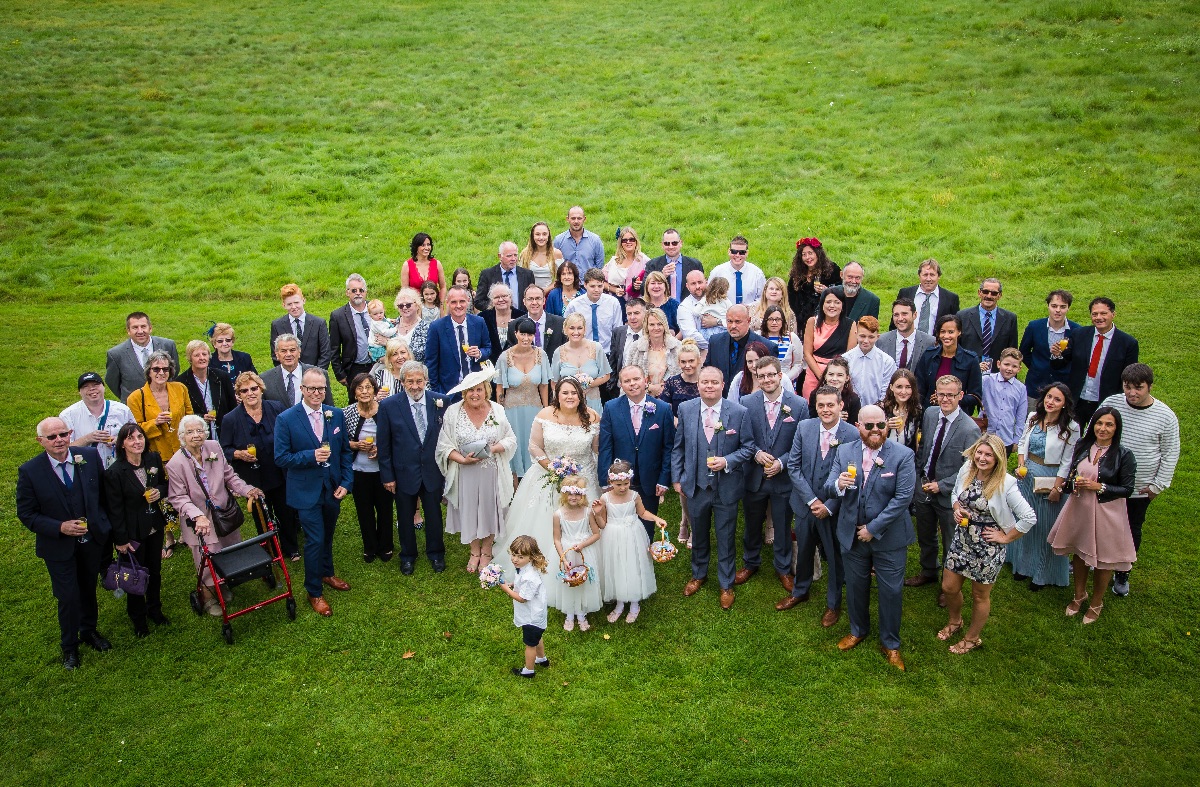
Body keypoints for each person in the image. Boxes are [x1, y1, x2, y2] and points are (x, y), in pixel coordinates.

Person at [824, 405, 917, 671]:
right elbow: (829, 486)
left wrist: (872, 529)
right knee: (855, 586)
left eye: (881, 425)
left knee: (891, 591)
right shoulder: (844, 451)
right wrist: (838, 485)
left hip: (888, 538)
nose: (876, 430)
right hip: (851, 534)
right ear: (858, 426)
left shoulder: (903, 455)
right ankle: (858, 629)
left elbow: (902, 499)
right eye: (869, 426)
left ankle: (890, 643)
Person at [17, 418, 113, 669]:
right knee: (68, 596)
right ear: (41, 441)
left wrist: (100, 524)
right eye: (52, 437)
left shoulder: (89, 457)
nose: (59, 440)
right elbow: (26, 513)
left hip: (91, 541)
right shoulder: (30, 471)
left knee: (88, 587)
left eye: (63, 434)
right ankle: (69, 647)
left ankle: (88, 630)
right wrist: (59, 527)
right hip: (58, 547)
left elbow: (103, 495)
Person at [937, 434, 1036, 654]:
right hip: (962, 540)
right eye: (979, 453)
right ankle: (955, 621)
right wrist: (956, 508)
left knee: (980, 595)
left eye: (988, 454)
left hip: (987, 547)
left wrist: (1005, 537)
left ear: (998, 458)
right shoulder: (967, 469)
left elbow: (1029, 517)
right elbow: (955, 492)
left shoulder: (1006, 483)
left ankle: (972, 638)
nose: (982, 458)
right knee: (948, 587)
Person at [494, 377, 600, 577]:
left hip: (583, 476)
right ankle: (542, 562)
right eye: (565, 393)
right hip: (549, 475)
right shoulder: (545, 414)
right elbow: (534, 446)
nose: (570, 397)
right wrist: (552, 467)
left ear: (581, 395)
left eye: (574, 393)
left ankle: (585, 561)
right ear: (557, 395)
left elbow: (596, 449)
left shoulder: (592, 416)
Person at [673, 367, 756, 611]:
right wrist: (678, 478)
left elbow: (748, 447)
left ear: (723, 385)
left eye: (714, 382)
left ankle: (726, 583)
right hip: (697, 486)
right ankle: (699, 574)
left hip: (726, 488)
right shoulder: (686, 409)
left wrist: (727, 461)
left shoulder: (739, 412)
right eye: (705, 382)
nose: (709, 386)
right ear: (697, 384)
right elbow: (678, 447)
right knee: (698, 533)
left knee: (726, 536)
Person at [273, 368, 354, 617]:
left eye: (321, 388)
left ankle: (327, 573)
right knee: (315, 539)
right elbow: (281, 457)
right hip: (305, 491)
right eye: (311, 388)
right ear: (302, 389)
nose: (317, 393)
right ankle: (314, 590)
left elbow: (345, 453)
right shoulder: (287, 419)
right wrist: (311, 456)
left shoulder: (335, 414)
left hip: (332, 489)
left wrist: (346, 482)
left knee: (328, 535)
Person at [166, 414, 264, 616]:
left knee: (229, 549)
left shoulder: (214, 447)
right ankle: (209, 597)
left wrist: (247, 490)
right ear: (182, 436)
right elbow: (178, 497)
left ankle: (226, 583)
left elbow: (229, 475)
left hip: (225, 513)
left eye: (200, 430)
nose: (196, 435)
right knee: (207, 558)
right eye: (190, 432)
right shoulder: (175, 464)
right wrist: (197, 515)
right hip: (200, 521)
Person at [1048, 407, 1137, 624]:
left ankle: (1097, 602)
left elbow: (1127, 489)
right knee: (1079, 552)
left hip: (1107, 512)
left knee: (1103, 559)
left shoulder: (1124, 455)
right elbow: (1072, 473)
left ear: (1116, 428)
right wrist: (1072, 485)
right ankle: (1079, 595)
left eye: (1109, 424)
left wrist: (1100, 486)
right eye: (1099, 423)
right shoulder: (1083, 446)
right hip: (1081, 506)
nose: (1103, 428)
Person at [779, 386, 859, 625]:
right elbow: (793, 466)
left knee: (835, 556)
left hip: (833, 510)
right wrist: (812, 500)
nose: (825, 410)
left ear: (840, 405)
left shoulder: (852, 434)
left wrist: (829, 505)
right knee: (803, 550)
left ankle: (833, 604)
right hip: (805, 505)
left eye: (830, 405)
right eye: (821, 405)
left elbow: (852, 477)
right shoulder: (805, 427)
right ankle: (800, 591)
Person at [1100, 363, 1179, 596]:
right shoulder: (1111, 404)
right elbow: (1093, 432)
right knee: (1099, 522)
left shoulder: (1165, 416)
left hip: (1139, 488)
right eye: (1128, 387)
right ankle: (1092, 559)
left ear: (1150, 387)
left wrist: (1157, 485)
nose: (1132, 393)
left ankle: (1122, 571)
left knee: (1131, 528)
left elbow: (1170, 453)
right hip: (1105, 482)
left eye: (1138, 388)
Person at [435, 368, 518, 573]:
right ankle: (474, 551)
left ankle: (487, 549)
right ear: (464, 393)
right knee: (469, 508)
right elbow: (443, 445)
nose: (475, 394)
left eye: (479, 390)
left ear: (486, 390)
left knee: (491, 507)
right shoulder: (453, 412)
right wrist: (461, 460)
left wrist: (493, 449)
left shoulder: (497, 410)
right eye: (470, 390)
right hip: (466, 472)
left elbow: (510, 438)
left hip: (492, 471)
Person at [907, 375, 982, 599]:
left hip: (949, 495)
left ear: (960, 396)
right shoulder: (930, 414)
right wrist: (920, 476)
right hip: (924, 487)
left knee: (951, 541)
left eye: (951, 395)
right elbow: (924, 448)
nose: (945, 399)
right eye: (941, 394)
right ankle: (928, 570)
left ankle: (948, 587)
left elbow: (970, 468)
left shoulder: (970, 429)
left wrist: (942, 485)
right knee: (925, 534)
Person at [378, 361, 450, 574]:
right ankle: (408, 556)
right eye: (410, 381)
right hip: (402, 473)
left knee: (434, 515)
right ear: (402, 382)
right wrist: (387, 476)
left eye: (419, 381)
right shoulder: (389, 406)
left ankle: (436, 553)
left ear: (426, 381)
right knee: (405, 515)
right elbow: (384, 445)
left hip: (432, 471)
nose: (415, 386)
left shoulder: (440, 401)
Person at [741, 356, 805, 593]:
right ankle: (751, 562)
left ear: (780, 376)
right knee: (752, 523)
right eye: (762, 375)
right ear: (757, 378)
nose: (767, 379)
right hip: (754, 477)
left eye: (771, 375)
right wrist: (756, 453)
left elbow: (801, 443)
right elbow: (743, 437)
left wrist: (782, 462)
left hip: (783, 478)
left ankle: (783, 567)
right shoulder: (746, 402)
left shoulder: (798, 405)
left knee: (782, 524)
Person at [220, 371, 299, 561]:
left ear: (261, 389)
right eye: (244, 390)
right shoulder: (230, 419)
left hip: (278, 472)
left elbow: (290, 434)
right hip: (253, 477)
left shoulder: (276, 408)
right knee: (262, 516)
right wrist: (239, 454)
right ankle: (271, 550)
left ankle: (291, 548)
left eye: (254, 388)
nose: (250, 393)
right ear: (238, 395)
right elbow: (224, 449)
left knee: (285, 511)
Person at [1009, 383, 1078, 590]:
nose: (1050, 402)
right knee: (1024, 521)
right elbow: (1022, 442)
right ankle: (1022, 565)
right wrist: (1021, 464)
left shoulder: (1071, 428)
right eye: (1049, 397)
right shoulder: (1033, 417)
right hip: (1027, 476)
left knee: (1044, 526)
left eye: (1057, 399)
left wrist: (1057, 489)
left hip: (1050, 479)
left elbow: (1067, 462)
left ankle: (1041, 572)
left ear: (1065, 404)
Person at [104, 423, 170, 638]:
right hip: (133, 532)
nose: (137, 442)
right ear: (122, 444)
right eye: (131, 438)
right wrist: (121, 540)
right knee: (135, 575)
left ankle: (155, 609)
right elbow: (114, 510)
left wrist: (158, 492)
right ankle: (138, 619)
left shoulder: (152, 459)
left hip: (154, 526)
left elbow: (163, 484)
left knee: (155, 571)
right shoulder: (115, 473)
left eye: (140, 437)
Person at [128, 349, 193, 559]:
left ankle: (186, 530)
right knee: (162, 495)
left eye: (165, 369)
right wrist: (155, 423)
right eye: (156, 369)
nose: (161, 372)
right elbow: (133, 431)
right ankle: (169, 536)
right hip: (156, 453)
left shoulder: (180, 388)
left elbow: (189, 414)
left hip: (181, 449)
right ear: (149, 371)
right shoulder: (136, 397)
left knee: (185, 489)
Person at [598, 365, 675, 539]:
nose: (632, 384)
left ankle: (644, 560)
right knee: (619, 529)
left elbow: (668, 447)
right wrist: (606, 479)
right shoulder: (611, 408)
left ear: (645, 380)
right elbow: (605, 446)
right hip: (620, 480)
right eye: (627, 381)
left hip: (650, 480)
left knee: (646, 529)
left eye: (636, 379)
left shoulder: (662, 409)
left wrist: (664, 479)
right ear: (621, 385)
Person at [593, 460, 665, 623]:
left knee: (633, 564)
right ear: (611, 482)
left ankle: (634, 603)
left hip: (633, 533)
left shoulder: (634, 495)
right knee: (617, 566)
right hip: (613, 535)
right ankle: (619, 603)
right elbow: (603, 524)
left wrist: (656, 518)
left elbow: (643, 512)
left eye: (626, 483)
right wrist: (597, 513)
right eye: (618, 484)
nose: (623, 487)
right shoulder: (605, 498)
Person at [1067, 296, 1140, 428]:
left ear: (1113, 314)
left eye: (1103, 313)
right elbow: (1062, 363)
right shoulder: (1079, 334)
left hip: (1106, 401)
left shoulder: (1128, 343)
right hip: (1078, 400)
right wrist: (1057, 355)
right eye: (1095, 314)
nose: (1099, 317)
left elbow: (1129, 377)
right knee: (1071, 438)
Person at [343, 374, 393, 564]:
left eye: (368, 387)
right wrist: (355, 445)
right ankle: (370, 547)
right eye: (360, 388)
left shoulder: (385, 411)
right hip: (359, 471)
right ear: (354, 392)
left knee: (385, 509)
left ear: (375, 390)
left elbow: (395, 438)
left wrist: (382, 450)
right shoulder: (346, 413)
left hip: (382, 471)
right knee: (364, 511)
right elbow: (339, 442)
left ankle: (386, 545)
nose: (364, 391)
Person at [496, 319, 551, 478]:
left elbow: (544, 385)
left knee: (534, 446)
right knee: (515, 448)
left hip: (535, 410)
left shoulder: (541, 355)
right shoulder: (504, 357)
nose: (526, 338)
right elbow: (500, 388)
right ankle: (513, 489)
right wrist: (500, 414)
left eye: (530, 334)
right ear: (515, 334)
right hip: (512, 411)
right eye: (523, 334)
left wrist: (546, 411)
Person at [550, 476, 604, 630]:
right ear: (564, 494)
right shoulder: (558, 515)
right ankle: (569, 613)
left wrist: (582, 544)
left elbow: (596, 534)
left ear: (583, 495)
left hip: (584, 551)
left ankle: (581, 613)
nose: (573, 497)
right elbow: (557, 539)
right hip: (566, 552)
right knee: (569, 580)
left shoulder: (588, 512)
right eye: (570, 494)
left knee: (583, 579)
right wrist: (563, 557)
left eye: (577, 494)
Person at [497, 535, 550, 678]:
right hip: (536, 615)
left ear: (531, 557)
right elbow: (521, 583)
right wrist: (514, 585)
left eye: (520, 557)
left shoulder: (530, 577)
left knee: (530, 644)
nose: (515, 559)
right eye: (513, 555)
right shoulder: (525, 568)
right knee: (537, 637)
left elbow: (522, 598)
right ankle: (542, 658)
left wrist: (506, 589)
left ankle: (528, 670)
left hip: (532, 616)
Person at [425, 285, 491, 399]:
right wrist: (437, 392)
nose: (458, 306)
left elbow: (488, 348)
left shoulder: (479, 322)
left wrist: (479, 353)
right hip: (450, 392)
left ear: (468, 301)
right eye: (454, 302)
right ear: (447, 303)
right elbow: (431, 362)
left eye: (462, 301)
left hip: (475, 388)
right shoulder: (437, 327)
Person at [1018, 290, 1080, 409]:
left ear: (1068, 308)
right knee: (1032, 419)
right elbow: (1024, 351)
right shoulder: (1034, 326)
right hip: (1036, 384)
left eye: (1063, 307)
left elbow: (1077, 357)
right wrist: (1036, 366)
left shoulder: (1076, 330)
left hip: (1062, 384)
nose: (1058, 310)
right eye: (1054, 306)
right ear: (1048, 306)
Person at [62, 371, 135, 468]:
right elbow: (63, 449)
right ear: (79, 392)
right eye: (86, 386)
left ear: (103, 387)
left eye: (96, 384)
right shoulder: (68, 415)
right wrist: (88, 438)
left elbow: (137, 437)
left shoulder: (122, 410)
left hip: (119, 468)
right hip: (85, 470)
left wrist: (119, 440)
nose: (92, 389)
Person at [914, 314, 983, 411]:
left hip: (958, 415)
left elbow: (975, 396)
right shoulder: (929, 355)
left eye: (951, 332)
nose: (946, 336)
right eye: (942, 332)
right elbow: (918, 387)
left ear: (959, 332)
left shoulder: (970, 359)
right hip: (930, 414)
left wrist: (949, 399)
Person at [105, 312, 180, 401]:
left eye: (143, 326)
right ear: (128, 330)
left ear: (150, 328)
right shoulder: (116, 354)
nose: (140, 331)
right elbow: (112, 382)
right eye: (135, 327)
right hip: (134, 407)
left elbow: (174, 371)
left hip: (164, 403)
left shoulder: (168, 345)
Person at [705, 305, 777, 396]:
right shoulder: (715, 342)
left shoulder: (767, 347)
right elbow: (707, 370)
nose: (733, 326)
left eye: (738, 322)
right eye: (729, 321)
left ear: (749, 321)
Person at [801, 288, 858, 398]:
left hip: (837, 377)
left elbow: (849, 355)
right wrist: (822, 377)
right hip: (814, 373)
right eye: (828, 302)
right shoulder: (812, 322)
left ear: (842, 306)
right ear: (822, 304)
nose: (832, 306)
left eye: (837, 302)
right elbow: (807, 353)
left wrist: (832, 376)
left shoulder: (850, 325)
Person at [176, 340, 236, 441]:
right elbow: (182, 413)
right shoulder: (181, 383)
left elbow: (232, 405)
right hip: (197, 436)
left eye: (204, 354)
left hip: (224, 432)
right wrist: (201, 417)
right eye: (197, 355)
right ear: (190, 358)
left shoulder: (222, 377)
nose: (202, 358)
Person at [956, 278, 1019, 372]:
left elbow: (1012, 351)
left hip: (997, 374)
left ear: (999, 295)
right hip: (968, 372)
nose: (989, 296)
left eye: (993, 293)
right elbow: (956, 348)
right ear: (979, 293)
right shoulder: (962, 316)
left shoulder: (1010, 319)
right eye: (985, 292)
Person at [551, 312, 612, 409]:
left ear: (584, 329)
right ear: (565, 329)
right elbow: (554, 383)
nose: (576, 332)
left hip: (592, 402)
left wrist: (589, 384)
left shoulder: (596, 348)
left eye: (579, 328)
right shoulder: (558, 352)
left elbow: (606, 375)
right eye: (572, 328)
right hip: (568, 405)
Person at [329, 273, 376, 395]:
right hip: (354, 367)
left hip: (377, 364)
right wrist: (340, 374)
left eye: (361, 290)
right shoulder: (338, 316)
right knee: (356, 402)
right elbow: (333, 349)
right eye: (354, 290)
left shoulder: (375, 308)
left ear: (366, 292)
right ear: (347, 292)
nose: (358, 293)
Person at [261, 334, 334, 408]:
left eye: (292, 350)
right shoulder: (265, 379)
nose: (288, 354)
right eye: (284, 351)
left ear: (299, 352)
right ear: (277, 354)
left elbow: (329, 407)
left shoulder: (320, 374)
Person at [269, 283, 331, 368]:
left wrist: (316, 375)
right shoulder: (277, 325)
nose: (294, 307)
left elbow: (325, 353)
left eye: (296, 302)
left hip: (314, 376)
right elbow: (276, 354)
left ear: (303, 301)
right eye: (289, 304)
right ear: (284, 305)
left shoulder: (319, 323)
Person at [627, 307, 682, 400]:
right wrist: (649, 387)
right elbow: (627, 375)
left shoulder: (677, 347)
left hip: (671, 398)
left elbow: (683, 375)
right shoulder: (636, 347)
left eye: (659, 324)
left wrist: (665, 388)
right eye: (652, 324)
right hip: (641, 398)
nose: (656, 328)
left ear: (665, 325)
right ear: (646, 327)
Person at [895, 258, 960, 336]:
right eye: (925, 275)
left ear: (938, 276)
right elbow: (895, 321)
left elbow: (955, 327)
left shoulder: (950, 298)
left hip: (936, 345)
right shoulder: (905, 293)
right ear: (919, 275)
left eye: (932, 275)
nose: (928, 279)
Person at [564, 268, 623, 354]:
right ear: (585, 285)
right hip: (582, 353)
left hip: (607, 352)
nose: (596, 290)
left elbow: (618, 330)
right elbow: (567, 331)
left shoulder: (613, 303)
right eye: (592, 286)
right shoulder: (574, 305)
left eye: (600, 286)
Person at [787, 237, 842, 329]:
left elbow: (841, 292)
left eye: (810, 253)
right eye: (804, 255)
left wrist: (827, 291)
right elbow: (791, 297)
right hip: (801, 320)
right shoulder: (797, 274)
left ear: (817, 253)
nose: (808, 258)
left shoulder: (832, 271)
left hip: (824, 318)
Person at [981, 348, 1028, 452]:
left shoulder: (1021, 388)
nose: (1009, 369)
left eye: (1014, 366)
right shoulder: (987, 380)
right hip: (985, 434)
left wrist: (1016, 440)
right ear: (998, 364)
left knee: (1001, 467)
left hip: (1005, 438)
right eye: (1006, 364)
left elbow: (1021, 416)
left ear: (1019, 369)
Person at [843, 316, 897, 406]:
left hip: (876, 410)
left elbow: (887, 390)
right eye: (862, 336)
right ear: (856, 334)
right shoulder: (845, 359)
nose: (866, 341)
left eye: (871, 337)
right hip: (850, 408)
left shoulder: (887, 362)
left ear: (877, 337)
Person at [506, 283, 565, 359]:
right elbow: (511, 355)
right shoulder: (513, 326)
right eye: (530, 299)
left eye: (538, 298)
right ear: (524, 302)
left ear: (544, 300)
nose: (534, 303)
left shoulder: (560, 323)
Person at [645, 227, 703, 304]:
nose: (671, 246)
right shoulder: (652, 264)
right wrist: (661, 276)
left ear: (681, 243)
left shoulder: (695, 264)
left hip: (688, 309)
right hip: (662, 310)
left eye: (674, 243)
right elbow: (643, 289)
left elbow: (702, 288)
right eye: (667, 243)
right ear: (662, 245)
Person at [475, 241, 536, 314]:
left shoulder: (527, 275)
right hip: (496, 319)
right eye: (509, 256)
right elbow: (478, 301)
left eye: (515, 255)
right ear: (500, 256)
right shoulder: (487, 274)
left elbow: (532, 298)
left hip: (521, 319)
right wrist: (495, 307)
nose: (513, 259)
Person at [876, 298, 934, 371]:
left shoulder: (929, 342)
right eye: (896, 315)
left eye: (904, 314)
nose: (900, 318)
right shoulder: (881, 341)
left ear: (915, 315)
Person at [728, 341, 792, 405]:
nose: (754, 365)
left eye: (758, 360)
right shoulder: (739, 378)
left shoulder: (782, 378)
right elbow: (732, 405)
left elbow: (792, 402)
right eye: (750, 362)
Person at [710, 234, 766, 307]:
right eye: (734, 251)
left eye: (742, 252)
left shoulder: (757, 274)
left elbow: (763, 298)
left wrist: (749, 307)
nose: (737, 255)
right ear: (729, 251)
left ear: (747, 253)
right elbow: (709, 296)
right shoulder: (717, 272)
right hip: (723, 315)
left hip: (750, 314)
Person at [480, 283, 525, 365]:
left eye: (504, 296)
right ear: (492, 301)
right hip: (491, 367)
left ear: (510, 298)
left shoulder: (522, 317)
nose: (501, 300)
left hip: (516, 365)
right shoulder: (483, 318)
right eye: (496, 297)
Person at [806, 357, 861, 425]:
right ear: (825, 376)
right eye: (831, 374)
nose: (834, 378)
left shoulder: (853, 399)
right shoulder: (815, 395)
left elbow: (854, 427)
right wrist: (834, 418)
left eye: (839, 375)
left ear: (847, 378)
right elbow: (811, 421)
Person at [603, 225, 650, 305]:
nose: (628, 242)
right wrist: (614, 289)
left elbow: (651, 281)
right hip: (614, 301)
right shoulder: (614, 261)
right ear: (621, 243)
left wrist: (641, 285)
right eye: (624, 240)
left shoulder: (644, 260)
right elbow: (600, 281)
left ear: (636, 241)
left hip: (636, 303)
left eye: (631, 239)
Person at [553, 205, 606, 273]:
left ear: (584, 219)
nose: (576, 221)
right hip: (567, 282)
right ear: (567, 219)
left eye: (579, 218)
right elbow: (555, 266)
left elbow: (599, 267)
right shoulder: (558, 241)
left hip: (588, 282)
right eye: (573, 218)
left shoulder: (595, 240)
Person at [759, 305, 803, 385]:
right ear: (765, 321)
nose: (774, 323)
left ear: (783, 321)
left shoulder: (792, 337)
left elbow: (798, 364)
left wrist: (784, 379)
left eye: (778, 319)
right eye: (771, 319)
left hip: (786, 382)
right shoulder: (758, 337)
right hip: (762, 383)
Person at [399, 232, 446, 307]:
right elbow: (405, 291)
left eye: (428, 244)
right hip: (415, 307)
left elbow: (443, 287)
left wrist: (440, 304)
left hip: (433, 306)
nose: (427, 248)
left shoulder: (437, 264)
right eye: (423, 245)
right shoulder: (407, 265)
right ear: (416, 247)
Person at [880, 369, 922, 451]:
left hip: (905, 460)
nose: (903, 392)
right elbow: (869, 438)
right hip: (881, 458)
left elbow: (916, 443)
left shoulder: (917, 410)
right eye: (899, 387)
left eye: (908, 387)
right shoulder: (880, 409)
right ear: (891, 387)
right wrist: (886, 427)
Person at [518, 221, 564, 290]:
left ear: (548, 236)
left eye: (544, 234)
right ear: (533, 236)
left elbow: (561, 277)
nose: (541, 237)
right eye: (537, 234)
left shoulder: (556, 254)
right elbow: (520, 277)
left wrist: (546, 290)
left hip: (550, 292)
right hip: (530, 293)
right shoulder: (525, 254)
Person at [676, 269, 711, 353]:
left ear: (706, 282)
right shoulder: (684, 307)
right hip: (698, 353)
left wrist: (717, 321)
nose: (697, 286)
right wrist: (716, 345)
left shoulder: (718, 299)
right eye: (693, 284)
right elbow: (691, 335)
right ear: (687, 286)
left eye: (700, 282)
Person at [392, 287, 430, 362]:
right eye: (401, 306)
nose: (405, 308)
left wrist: (387, 343)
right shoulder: (391, 325)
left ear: (417, 305)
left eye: (408, 305)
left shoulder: (425, 328)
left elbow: (419, 355)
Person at [697, 277, 732, 344]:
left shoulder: (705, 299)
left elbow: (695, 312)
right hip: (722, 330)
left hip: (706, 330)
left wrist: (701, 316)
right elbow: (732, 314)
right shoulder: (726, 301)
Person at [364, 298, 397, 363]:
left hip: (381, 344)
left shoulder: (379, 319)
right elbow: (385, 332)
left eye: (381, 312)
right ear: (370, 315)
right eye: (375, 314)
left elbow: (384, 321)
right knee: (386, 357)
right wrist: (395, 329)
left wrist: (389, 320)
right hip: (377, 347)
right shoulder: (376, 324)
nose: (379, 315)